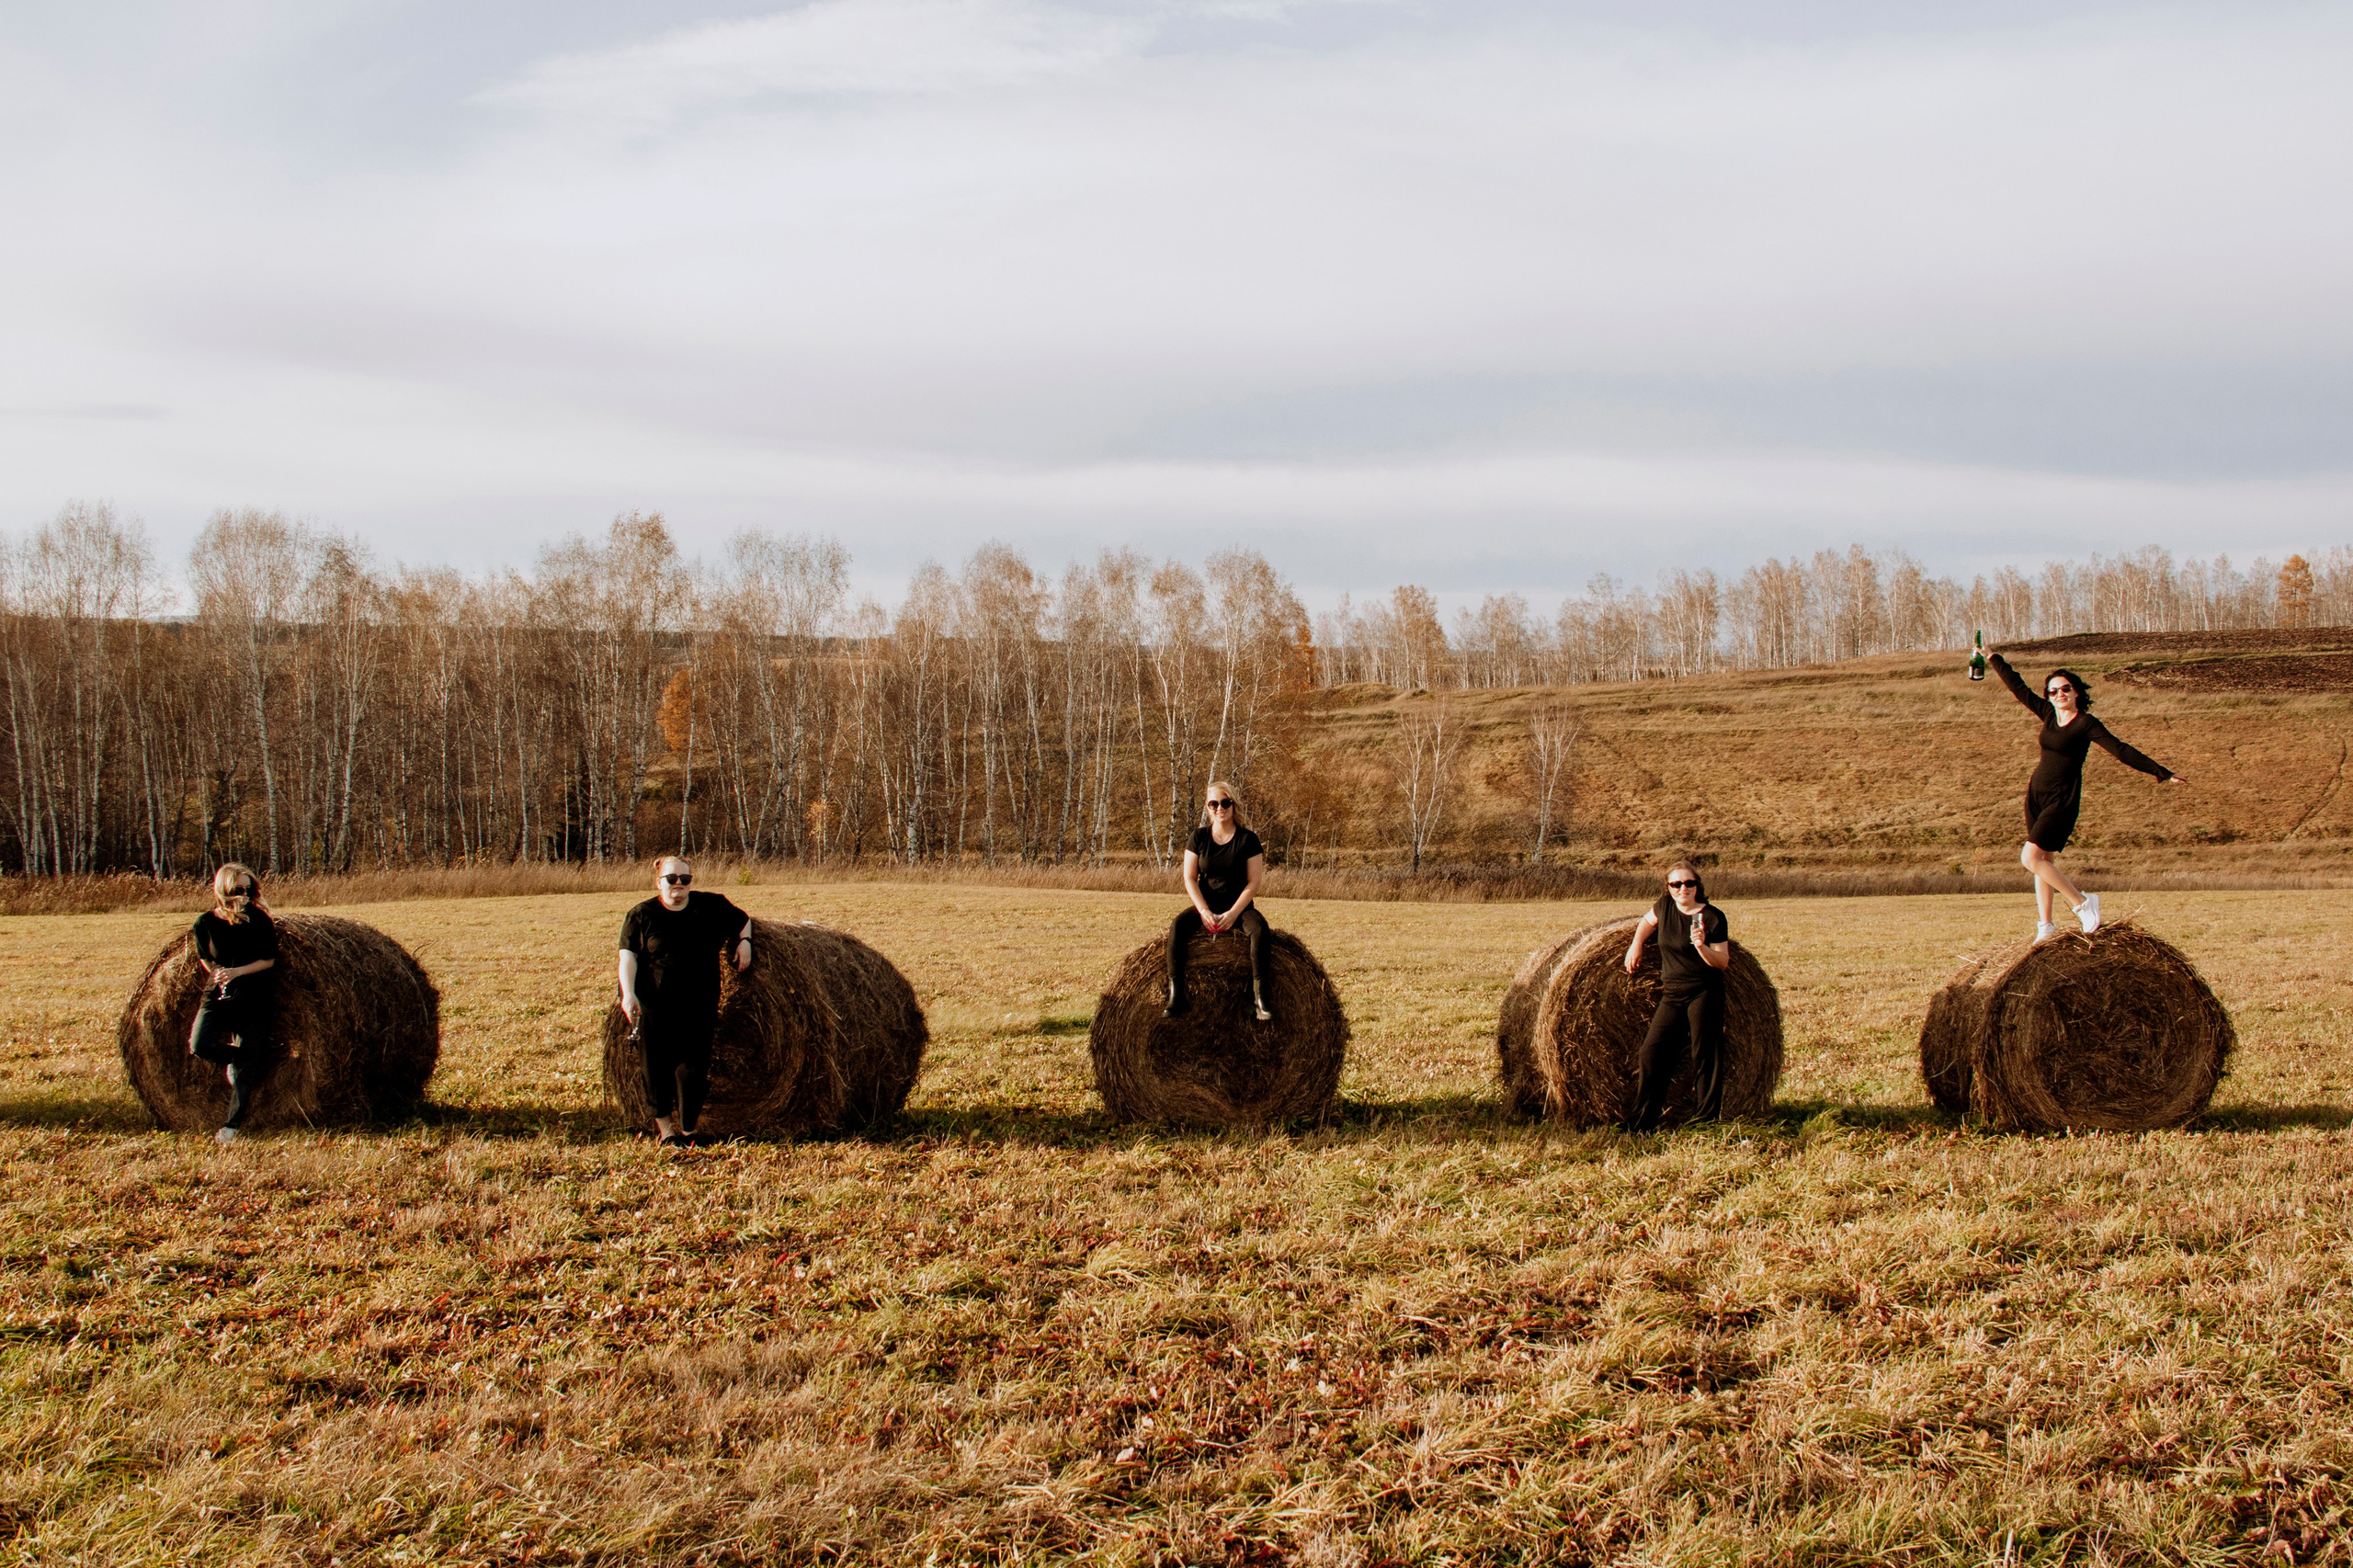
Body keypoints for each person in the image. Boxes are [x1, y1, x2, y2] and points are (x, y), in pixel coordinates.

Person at [1986, 653, 2184, 939]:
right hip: (2036, 795)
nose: (2059, 694)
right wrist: (1993, 657)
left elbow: (2121, 750)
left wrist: (2161, 771)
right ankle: (2046, 925)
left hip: (2062, 799)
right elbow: (2018, 687)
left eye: (2065, 688)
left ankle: (2082, 903)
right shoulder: (2048, 714)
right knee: (2044, 860)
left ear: (2076, 691)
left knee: (2029, 858)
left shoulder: (2085, 724)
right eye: (2053, 691)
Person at [617, 856, 752, 1148]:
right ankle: (667, 1132)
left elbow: (743, 921)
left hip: (699, 1004)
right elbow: (627, 957)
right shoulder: (641, 915)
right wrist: (628, 995)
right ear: (659, 882)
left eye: (685, 879)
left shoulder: (711, 906)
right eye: (672, 878)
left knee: (692, 1068)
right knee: (655, 1066)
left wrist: (745, 943)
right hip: (653, 1004)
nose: (679, 883)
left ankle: (689, 1131)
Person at [1620, 859, 1728, 1133]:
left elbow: (1722, 962)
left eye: (1689, 883)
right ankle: (1641, 1122)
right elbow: (1647, 922)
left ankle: (1706, 1123)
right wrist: (1636, 944)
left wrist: (1701, 946)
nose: (1683, 888)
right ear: (1668, 888)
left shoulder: (1713, 917)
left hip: (1704, 992)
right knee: (1650, 1053)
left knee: (1704, 1055)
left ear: (1697, 886)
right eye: (1676, 884)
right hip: (1673, 993)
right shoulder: (1665, 906)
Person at [1165, 780, 1273, 1023]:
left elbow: (1254, 882)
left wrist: (1233, 913)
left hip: (1239, 908)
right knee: (1178, 926)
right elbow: (1189, 878)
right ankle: (1176, 996)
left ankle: (1260, 998)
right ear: (1207, 807)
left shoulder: (1248, 839)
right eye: (1214, 804)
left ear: (1233, 805)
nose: (1220, 808)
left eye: (1225, 803)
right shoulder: (1199, 837)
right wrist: (1203, 911)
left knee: (1259, 930)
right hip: (1207, 906)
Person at [188, 862, 278, 1144]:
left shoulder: (259, 920)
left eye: (249, 890)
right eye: (239, 889)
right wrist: (218, 973)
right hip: (218, 994)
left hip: (254, 996)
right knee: (199, 1045)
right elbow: (206, 957)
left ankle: (231, 1127)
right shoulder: (204, 923)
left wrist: (237, 972)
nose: (245, 895)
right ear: (224, 889)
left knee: (244, 1073)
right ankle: (242, 1058)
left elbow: (269, 960)